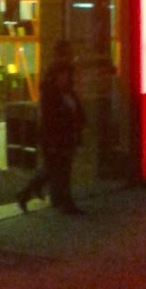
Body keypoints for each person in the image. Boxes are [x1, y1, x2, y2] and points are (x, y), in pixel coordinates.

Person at [17, 42, 87, 215]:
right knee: (59, 171)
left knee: (53, 170)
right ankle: (65, 202)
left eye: (67, 75)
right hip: (56, 139)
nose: (66, 78)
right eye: (62, 75)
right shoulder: (51, 95)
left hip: (65, 138)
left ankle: (28, 194)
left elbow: (77, 112)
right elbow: (51, 119)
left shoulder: (67, 93)